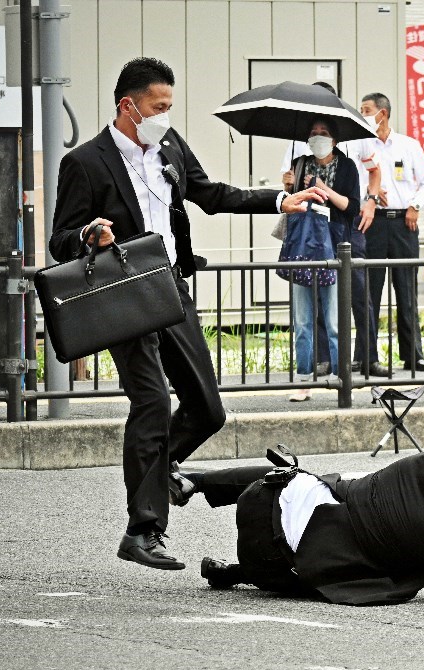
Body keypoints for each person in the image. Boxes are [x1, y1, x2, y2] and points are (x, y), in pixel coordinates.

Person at [47, 57, 328, 570]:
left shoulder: (170, 147)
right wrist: (90, 234)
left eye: (169, 107)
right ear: (127, 106)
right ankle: (143, 529)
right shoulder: (87, 162)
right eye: (158, 107)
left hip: (171, 289)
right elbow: (59, 238)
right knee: (152, 402)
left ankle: (161, 470)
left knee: (207, 409)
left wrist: (279, 199)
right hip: (122, 293)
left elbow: (210, 195)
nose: (165, 117)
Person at [176, 449, 424, 606]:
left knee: (295, 476)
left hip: (264, 497)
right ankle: (239, 572)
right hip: (275, 558)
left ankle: (196, 480)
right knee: (326, 573)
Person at [280, 116, 382, 401]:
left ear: (335, 140)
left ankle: (341, 377)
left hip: (335, 247)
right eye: (313, 133)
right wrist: (289, 186)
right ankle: (303, 379)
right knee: (302, 319)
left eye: (323, 133)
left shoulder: (347, 166)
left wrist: (324, 188)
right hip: (304, 247)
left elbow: (350, 207)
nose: (318, 138)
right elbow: (292, 204)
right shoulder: (299, 163)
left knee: (335, 318)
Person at [356, 93, 424, 374]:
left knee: (406, 290)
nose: (362, 113)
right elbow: (353, 181)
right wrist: (372, 192)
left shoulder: (408, 145)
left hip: (405, 222)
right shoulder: (358, 144)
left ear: (383, 113)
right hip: (371, 223)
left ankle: (413, 355)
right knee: (369, 292)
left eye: (367, 110)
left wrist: (415, 205)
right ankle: (366, 355)